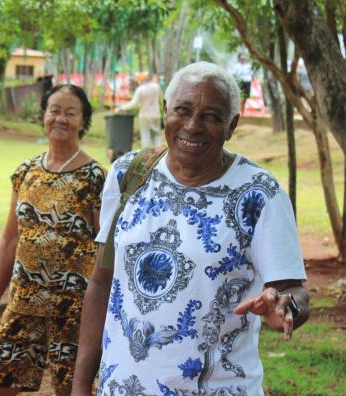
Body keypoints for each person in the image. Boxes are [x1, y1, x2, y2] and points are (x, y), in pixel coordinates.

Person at [72, 62, 310, 396]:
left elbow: (293, 290)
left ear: (232, 125)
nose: (193, 126)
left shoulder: (259, 193)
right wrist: (81, 385)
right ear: (165, 112)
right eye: (182, 111)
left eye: (211, 116)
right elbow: (101, 281)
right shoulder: (128, 173)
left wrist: (287, 306)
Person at [0, 84, 106, 395]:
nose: (61, 119)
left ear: (83, 121)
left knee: (71, 390)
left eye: (70, 113)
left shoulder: (94, 177)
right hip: (24, 302)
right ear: (43, 116)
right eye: (54, 111)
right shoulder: (26, 172)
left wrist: (106, 309)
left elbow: (106, 246)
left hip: (74, 309)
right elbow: (10, 239)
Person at [116, 73, 162, 149]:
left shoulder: (140, 89)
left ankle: (145, 156)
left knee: (145, 136)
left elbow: (133, 104)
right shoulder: (156, 87)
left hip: (144, 115)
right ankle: (160, 154)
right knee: (156, 135)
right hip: (156, 114)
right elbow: (161, 99)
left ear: (140, 80)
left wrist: (121, 108)